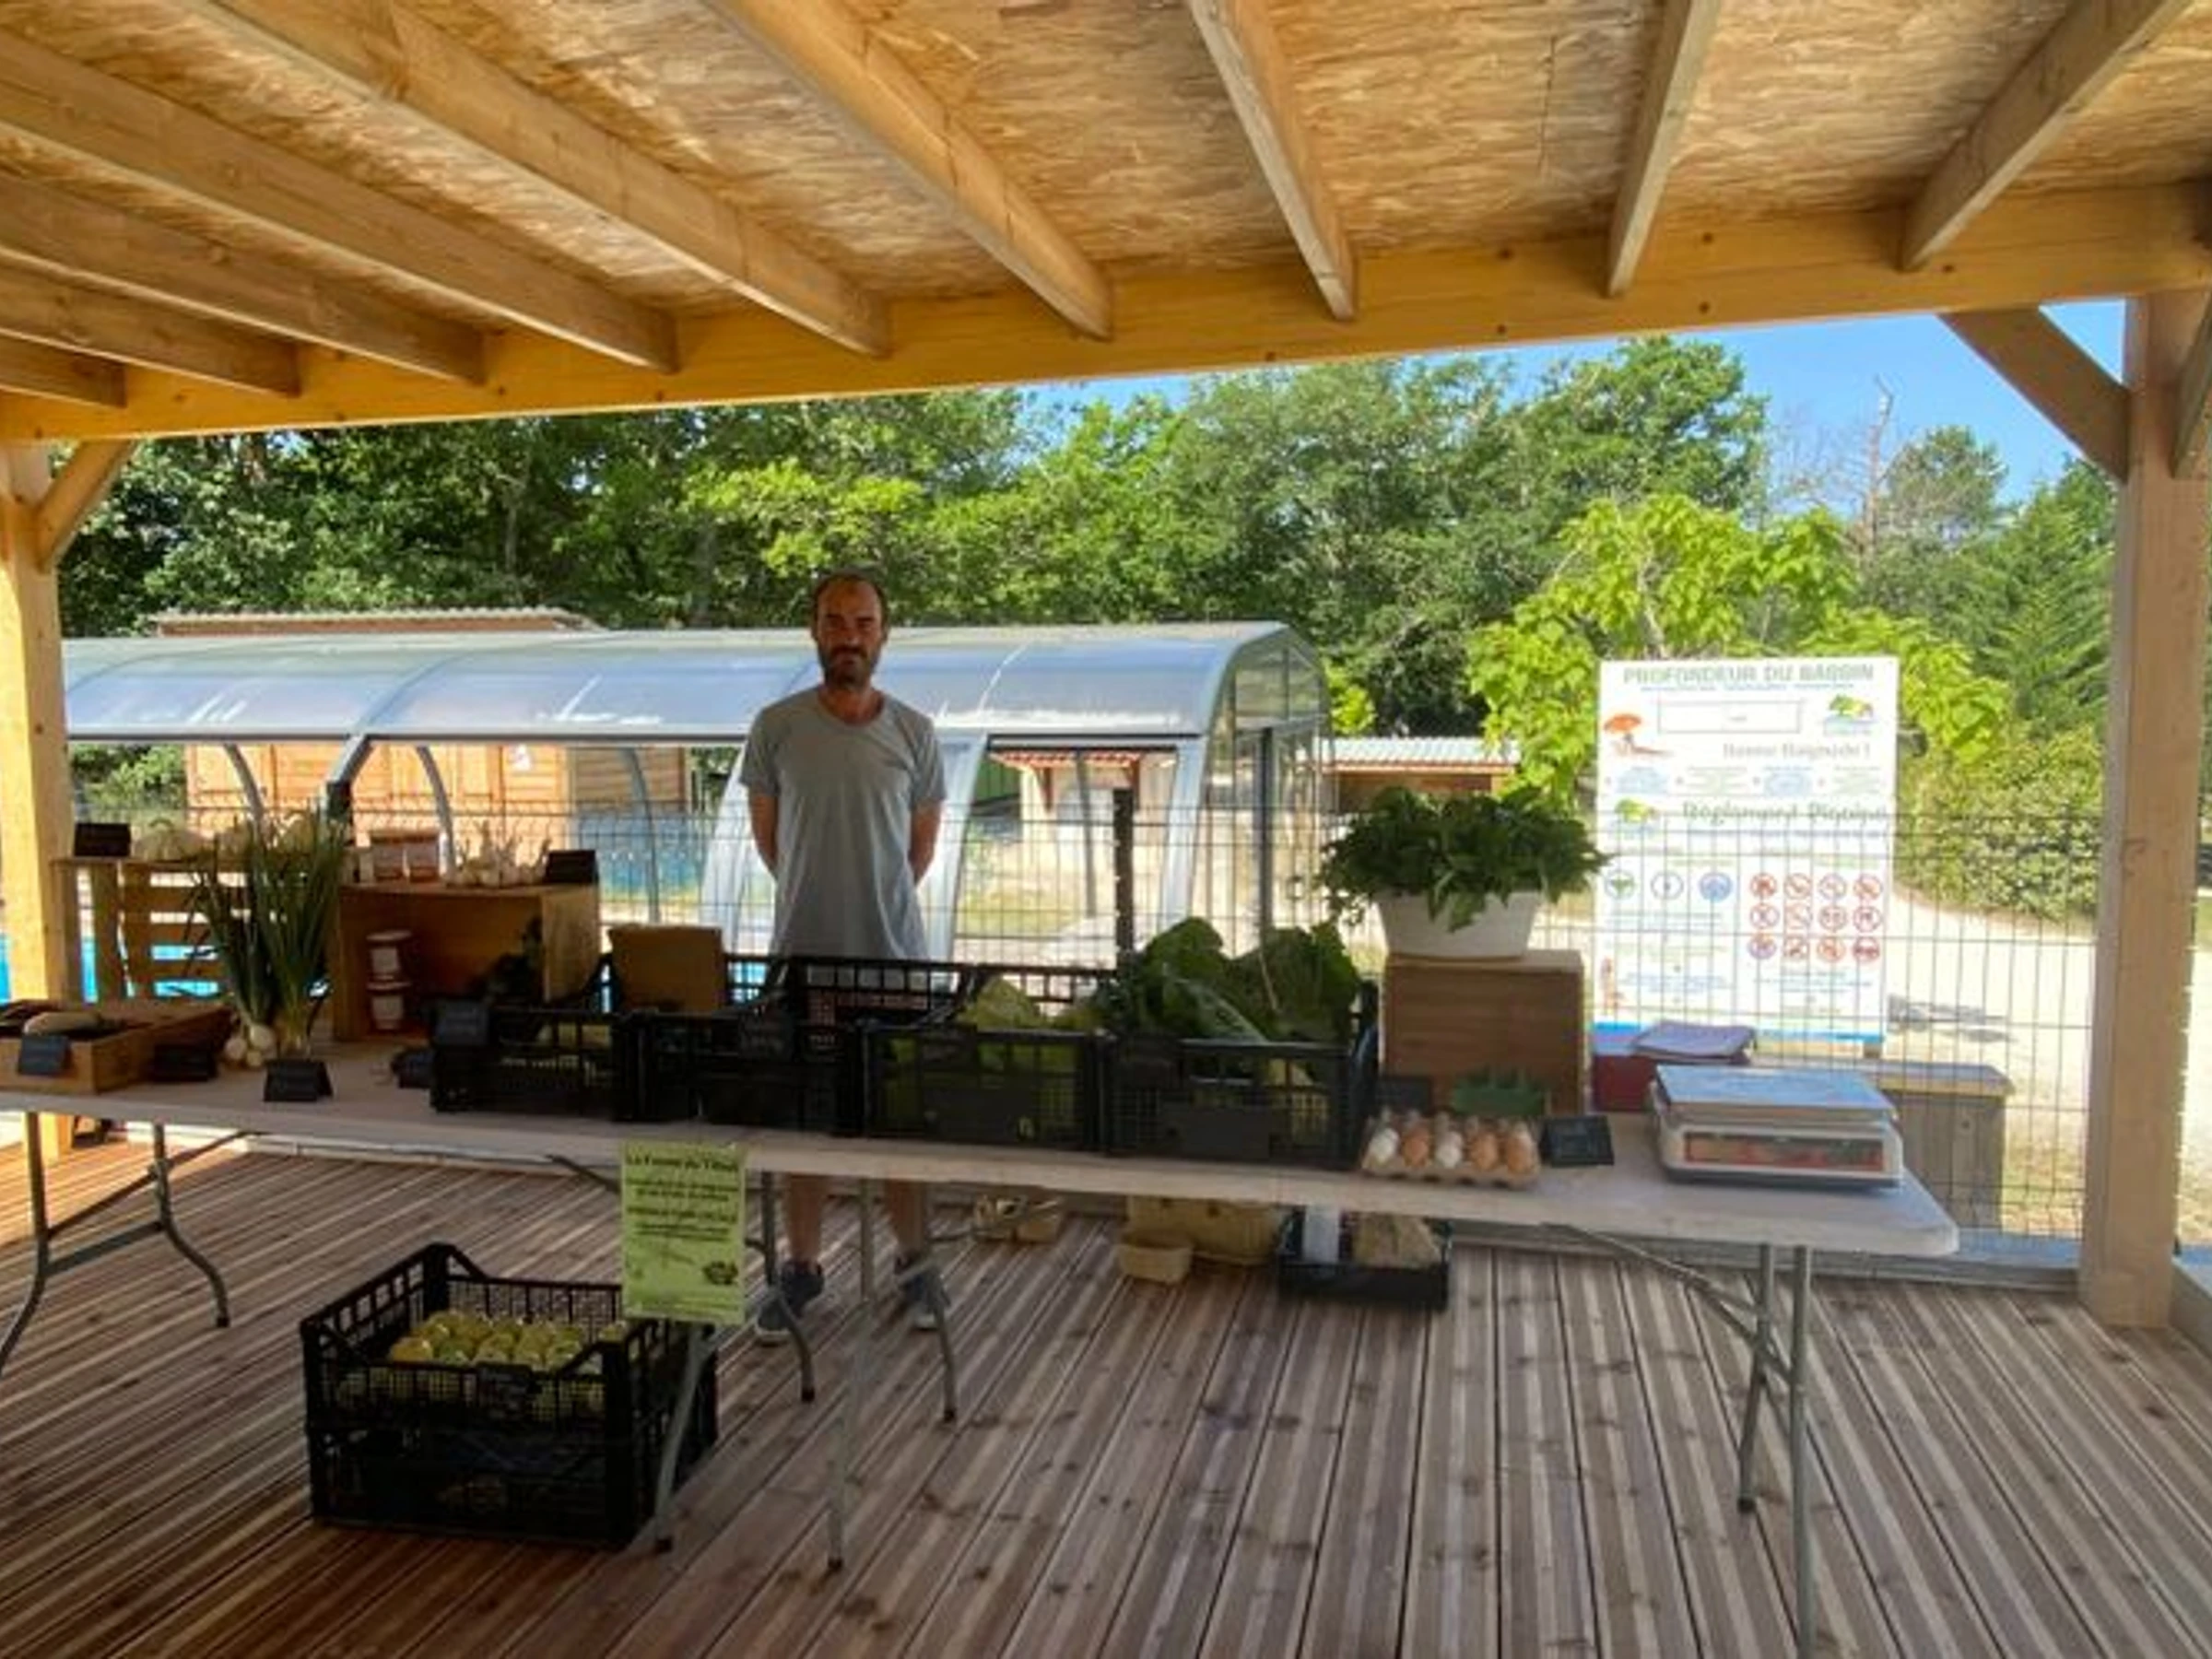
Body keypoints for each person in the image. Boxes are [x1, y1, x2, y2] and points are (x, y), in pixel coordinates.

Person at [741, 569, 947, 1342]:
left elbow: (918, 852)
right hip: (802, 963)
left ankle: (916, 1265)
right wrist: (819, 895)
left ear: (883, 634)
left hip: (894, 966)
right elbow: (771, 843)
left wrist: (872, 903)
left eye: (863, 623)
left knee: (899, 1124)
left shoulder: (915, 734)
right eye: (835, 621)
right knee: (805, 1124)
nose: (849, 636)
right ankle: (801, 1268)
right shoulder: (776, 727)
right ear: (815, 631)